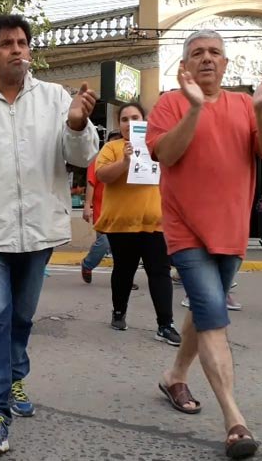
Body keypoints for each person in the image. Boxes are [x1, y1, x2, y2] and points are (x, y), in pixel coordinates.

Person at [0, 14, 99, 454]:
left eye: (22, 42)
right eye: (6, 43)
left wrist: (79, 124)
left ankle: (14, 376)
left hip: (39, 232)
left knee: (22, 318)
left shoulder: (53, 98)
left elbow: (84, 159)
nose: (16, 49)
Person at [146, 29, 262, 459]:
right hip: (186, 230)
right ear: (185, 65)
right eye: (197, 53)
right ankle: (234, 420)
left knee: (205, 312)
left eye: (215, 53)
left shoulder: (245, 105)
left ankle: (174, 376)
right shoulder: (170, 103)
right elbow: (165, 155)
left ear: (225, 64)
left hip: (232, 231)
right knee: (213, 315)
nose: (207, 59)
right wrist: (193, 109)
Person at [95, 103, 180, 345]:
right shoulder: (112, 147)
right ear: (118, 123)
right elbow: (102, 176)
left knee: (159, 272)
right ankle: (118, 312)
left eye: (135, 117)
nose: (129, 122)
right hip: (123, 224)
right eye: (124, 119)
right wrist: (124, 161)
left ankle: (165, 324)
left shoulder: (158, 146)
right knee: (124, 270)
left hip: (156, 222)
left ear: (145, 120)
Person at [80, 131, 121, 283]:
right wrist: (87, 206)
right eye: (113, 141)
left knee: (123, 247)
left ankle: (124, 278)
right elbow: (91, 182)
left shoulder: (127, 159)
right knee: (105, 242)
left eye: (119, 140)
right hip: (102, 210)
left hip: (122, 210)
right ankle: (88, 264)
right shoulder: (98, 159)